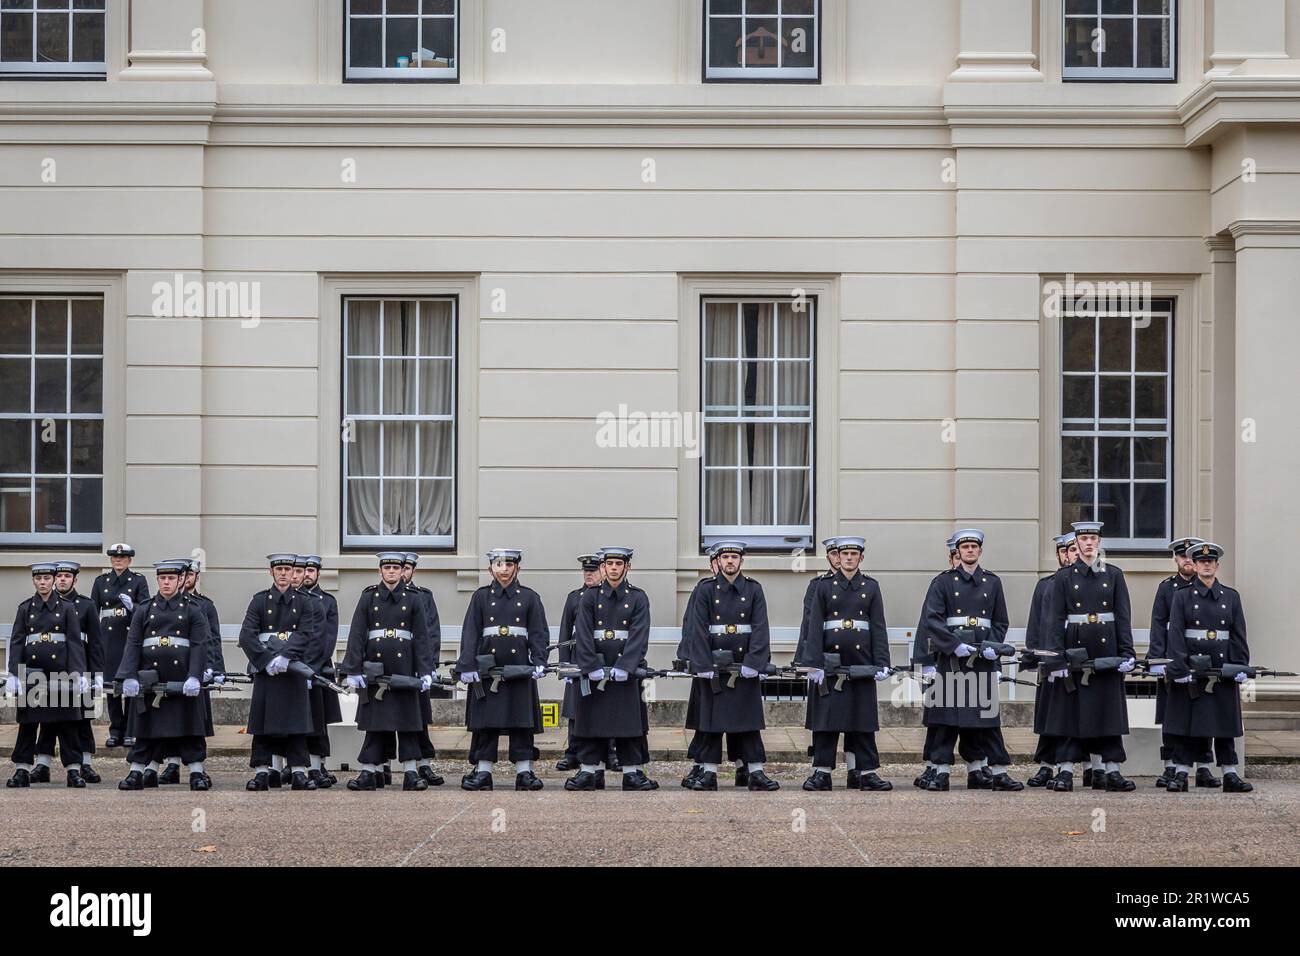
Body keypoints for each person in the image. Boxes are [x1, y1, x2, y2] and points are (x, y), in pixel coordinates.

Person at [918, 530, 1022, 792]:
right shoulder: (942, 582)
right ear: (958, 552)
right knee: (946, 720)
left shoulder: (992, 582)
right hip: (952, 661)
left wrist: (993, 648)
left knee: (987, 721)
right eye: (965, 547)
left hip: (982, 661)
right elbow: (933, 619)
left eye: (974, 546)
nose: (969, 551)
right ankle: (940, 772)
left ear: (980, 550)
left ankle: (998, 772)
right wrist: (953, 645)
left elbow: (1000, 621)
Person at [1040, 521, 1137, 793]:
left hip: (1106, 653)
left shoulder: (1114, 575)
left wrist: (1127, 653)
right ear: (1077, 543)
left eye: (1093, 538)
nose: (1088, 543)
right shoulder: (1064, 578)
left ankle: (1113, 770)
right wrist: (1055, 660)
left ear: (1099, 542)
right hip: (1074, 651)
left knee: (1108, 714)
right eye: (1083, 539)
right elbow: (1054, 621)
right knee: (1071, 714)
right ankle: (1066, 770)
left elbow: (1122, 617)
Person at [683, 541, 779, 791]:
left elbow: (760, 628)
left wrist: (754, 662)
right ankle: (708, 773)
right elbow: (698, 629)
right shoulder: (706, 590)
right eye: (725, 557)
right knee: (712, 725)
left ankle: (756, 772)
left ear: (741, 561)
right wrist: (702, 663)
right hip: (713, 669)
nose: (729, 561)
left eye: (734, 557)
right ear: (719, 560)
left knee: (748, 724)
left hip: (743, 668)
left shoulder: (754, 589)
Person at [800, 537, 892, 792]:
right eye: (845, 554)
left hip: (861, 664)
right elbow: (813, 626)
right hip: (829, 664)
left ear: (861, 558)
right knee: (826, 722)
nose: (849, 558)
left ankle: (867, 772)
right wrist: (813, 663)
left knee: (862, 721)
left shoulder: (871, 587)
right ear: (837, 558)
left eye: (854, 553)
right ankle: (822, 772)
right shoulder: (823, 586)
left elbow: (878, 628)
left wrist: (882, 662)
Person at [339, 552, 435, 792]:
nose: (391, 572)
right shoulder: (368, 597)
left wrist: (426, 670)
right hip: (375, 669)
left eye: (396, 568)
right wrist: (352, 668)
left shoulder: (414, 598)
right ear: (379, 571)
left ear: (403, 571)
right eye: (387, 567)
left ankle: (411, 772)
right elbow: (357, 634)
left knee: (408, 723)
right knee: (375, 724)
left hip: (405, 669)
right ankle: (369, 772)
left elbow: (422, 637)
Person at [565, 547, 658, 791]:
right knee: (590, 723)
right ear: (603, 568)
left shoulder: (638, 597)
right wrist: (591, 665)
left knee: (629, 724)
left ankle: (632, 773)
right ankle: (588, 771)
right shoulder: (589, 597)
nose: (614, 568)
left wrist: (626, 665)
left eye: (619, 563)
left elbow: (639, 635)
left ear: (628, 567)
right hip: (595, 670)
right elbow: (582, 635)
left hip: (624, 673)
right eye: (610, 564)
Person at [115, 560, 213, 791]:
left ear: (180, 580)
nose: (166, 582)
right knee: (147, 730)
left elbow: (200, 645)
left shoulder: (193, 610)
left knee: (189, 729)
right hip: (152, 679)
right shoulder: (145, 609)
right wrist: (128, 675)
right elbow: (134, 643)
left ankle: (197, 772)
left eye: (171, 578)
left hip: (182, 679)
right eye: (162, 578)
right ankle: (136, 771)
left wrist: (195, 676)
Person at [455, 548, 548, 791]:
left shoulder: (530, 597)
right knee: (486, 724)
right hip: (488, 671)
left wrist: (539, 661)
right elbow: (471, 633)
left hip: (519, 670)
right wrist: (467, 664)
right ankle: (483, 771)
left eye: (508, 564)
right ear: (490, 569)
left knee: (522, 723)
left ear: (518, 567)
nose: (504, 569)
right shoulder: (481, 597)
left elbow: (538, 633)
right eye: (498, 565)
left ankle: (524, 772)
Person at [1163, 542, 1252, 793]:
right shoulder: (1182, 596)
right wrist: (1179, 669)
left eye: (1210, 561)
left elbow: (1238, 635)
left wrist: (1239, 666)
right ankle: (1181, 773)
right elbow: (1176, 635)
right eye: (1202, 562)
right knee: (1186, 724)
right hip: (1192, 670)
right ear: (1195, 564)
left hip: (1221, 668)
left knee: (1225, 723)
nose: (1206, 565)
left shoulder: (1231, 597)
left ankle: (1230, 773)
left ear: (1216, 565)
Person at [237, 554, 320, 791]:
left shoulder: (305, 602)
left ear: (294, 572)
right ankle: (262, 772)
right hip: (267, 672)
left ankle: (299, 772)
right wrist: (266, 661)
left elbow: (306, 633)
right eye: (279, 569)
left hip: (292, 671)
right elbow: (247, 635)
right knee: (263, 725)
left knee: (296, 724)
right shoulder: (259, 601)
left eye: (287, 569)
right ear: (271, 572)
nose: (283, 573)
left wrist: (285, 657)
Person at [6, 563, 87, 788]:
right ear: (34, 581)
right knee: (28, 724)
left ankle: (73, 770)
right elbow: (17, 642)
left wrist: (78, 673)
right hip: (33, 676)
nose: (43, 582)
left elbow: (74, 643)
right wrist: (14, 673)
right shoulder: (25, 608)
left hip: (62, 674)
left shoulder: (68, 608)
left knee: (68, 724)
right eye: (39, 578)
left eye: (46, 578)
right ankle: (22, 769)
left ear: (53, 581)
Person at [31, 561, 104, 784]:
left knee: (81, 719)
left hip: (78, 670)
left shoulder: (86, 605)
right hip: (51, 671)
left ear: (75, 579)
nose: (62, 579)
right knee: (47, 718)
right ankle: (42, 763)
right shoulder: (42, 605)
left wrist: (96, 674)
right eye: (59, 575)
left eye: (67, 576)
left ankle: (86, 763)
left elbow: (95, 643)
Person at [1147, 536, 1202, 789]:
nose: (1187, 560)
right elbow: (1158, 624)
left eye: (1191, 556)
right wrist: (1158, 660)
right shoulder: (1166, 587)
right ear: (1176, 559)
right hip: (1171, 658)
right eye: (1182, 556)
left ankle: (1203, 766)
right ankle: (1170, 764)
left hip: (1198, 658)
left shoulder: (1206, 587)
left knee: (1203, 713)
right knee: (1170, 715)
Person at [1024, 533, 1078, 789]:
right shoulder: (1045, 585)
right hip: (1050, 658)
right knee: (1048, 715)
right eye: (1064, 551)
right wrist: (1034, 654)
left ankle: (1089, 766)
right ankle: (1046, 764)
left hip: (1076, 659)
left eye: (1072, 549)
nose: (1069, 555)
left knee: (1074, 715)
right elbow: (1036, 623)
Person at [90, 544, 149, 749]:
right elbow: (92, 610)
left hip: (129, 637)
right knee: (112, 688)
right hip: (108, 638)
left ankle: (131, 731)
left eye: (123, 557)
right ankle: (116, 730)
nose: (119, 560)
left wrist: (133, 607)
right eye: (115, 557)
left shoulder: (138, 580)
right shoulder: (101, 581)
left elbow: (146, 609)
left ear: (129, 560)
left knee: (130, 686)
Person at [797, 539, 846, 781]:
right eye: (835, 554)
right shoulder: (817, 585)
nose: (840, 558)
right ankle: (822, 769)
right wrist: (808, 662)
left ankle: (859, 769)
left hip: (854, 661)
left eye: (844, 553)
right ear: (829, 557)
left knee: (857, 719)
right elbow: (808, 625)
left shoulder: (865, 584)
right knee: (824, 720)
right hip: (824, 662)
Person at [556, 553, 604, 773]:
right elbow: (565, 631)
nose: (589, 575)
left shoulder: (606, 596)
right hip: (577, 659)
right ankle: (573, 752)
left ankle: (608, 752)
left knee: (604, 707)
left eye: (592, 571)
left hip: (601, 657)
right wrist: (564, 663)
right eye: (586, 571)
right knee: (576, 708)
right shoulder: (574, 597)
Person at [401, 553, 444, 787]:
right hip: (392, 666)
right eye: (401, 567)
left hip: (418, 667)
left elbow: (432, 632)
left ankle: (424, 763)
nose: (403, 572)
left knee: (420, 717)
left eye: (407, 568)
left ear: (413, 571)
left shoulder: (423, 596)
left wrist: (430, 665)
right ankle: (381, 767)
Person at [679, 546, 721, 788]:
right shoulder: (703, 589)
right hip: (704, 663)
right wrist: (689, 658)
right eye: (717, 560)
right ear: (711, 564)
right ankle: (700, 763)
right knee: (705, 719)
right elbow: (691, 626)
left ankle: (743, 766)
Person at [302, 555, 341, 788]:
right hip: (294, 667)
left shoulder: (327, 601)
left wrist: (311, 667)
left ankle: (318, 763)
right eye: (304, 570)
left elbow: (328, 637)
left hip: (318, 668)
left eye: (311, 570)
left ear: (318, 573)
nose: (306, 574)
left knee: (318, 719)